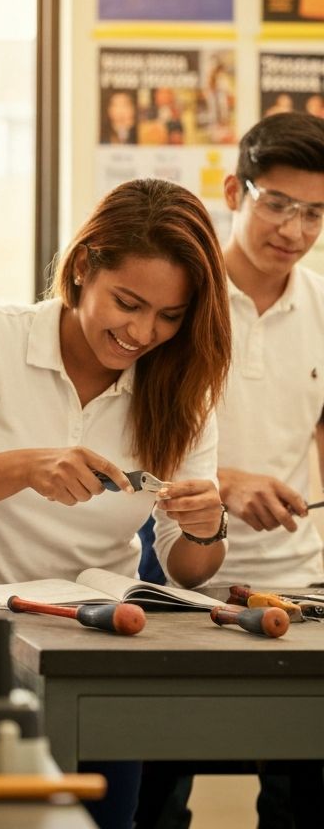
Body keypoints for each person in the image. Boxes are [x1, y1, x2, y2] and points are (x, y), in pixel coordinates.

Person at [0, 178, 231, 829]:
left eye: (169, 316)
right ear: (81, 268)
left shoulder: (182, 391)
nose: (142, 332)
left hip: (100, 671)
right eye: (127, 303)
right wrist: (25, 466)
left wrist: (206, 529)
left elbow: (186, 568)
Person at [136, 112, 324, 828]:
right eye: (278, 203)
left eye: (315, 214)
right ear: (233, 191)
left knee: (304, 799)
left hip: (298, 588)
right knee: (154, 797)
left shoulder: (322, 309)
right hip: (176, 583)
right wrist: (225, 483)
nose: (294, 229)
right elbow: (129, 436)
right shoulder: (176, 301)